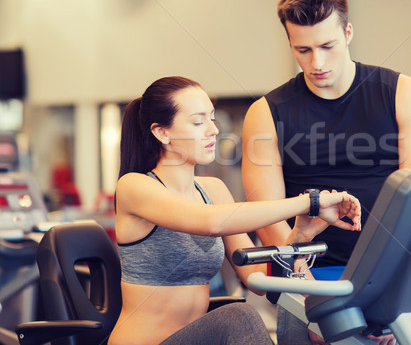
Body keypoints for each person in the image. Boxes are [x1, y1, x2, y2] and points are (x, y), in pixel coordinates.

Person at [241, 0, 411, 345]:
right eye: (302, 50)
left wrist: (390, 301)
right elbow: (267, 218)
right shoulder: (266, 113)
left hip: (392, 275)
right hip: (307, 276)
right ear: (290, 44)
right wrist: (315, 301)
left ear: (348, 32)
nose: (316, 63)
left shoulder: (402, 93)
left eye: (327, 46)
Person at [107, 76, 361, 345]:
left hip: (198, 339)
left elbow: (256, 279)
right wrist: (309, 202)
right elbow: (212, 222)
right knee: (238, 315)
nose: (213, 130)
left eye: (211, 118)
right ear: (162, 132)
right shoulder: (134, 186)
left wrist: (299, 235)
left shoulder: (212, 190)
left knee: (295, 315)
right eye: (198, 121)